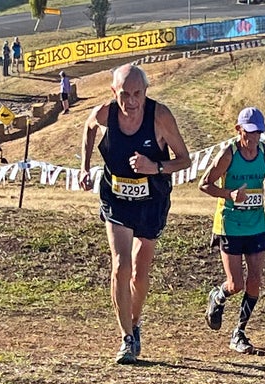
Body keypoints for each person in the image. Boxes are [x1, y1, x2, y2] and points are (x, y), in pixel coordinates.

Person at [79, 64, 191, 365]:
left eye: (136, 94)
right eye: (124, 94)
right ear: (114, 92)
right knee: (120, 266)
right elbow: (89, 129)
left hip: (152, 199)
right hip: (116, 198)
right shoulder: (105, 113)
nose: (130, 101)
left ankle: (135, 322)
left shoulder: (160, 116)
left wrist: (154, 167)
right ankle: (126, 339)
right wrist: (84, 167)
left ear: (146, 92)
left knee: (140, 273)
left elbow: (185, 160)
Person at [199, 107, 265, 354]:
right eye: (250, 132)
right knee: (235, 284)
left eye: (259, 133)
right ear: (239, 130)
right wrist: (229, 194)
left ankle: (239, 332)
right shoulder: (228, 154)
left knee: (255, 279)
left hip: (256, 224)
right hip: (230, 224)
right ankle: (218, 296)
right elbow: (204, 185)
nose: (254, 138)